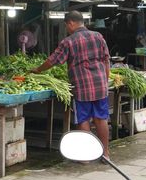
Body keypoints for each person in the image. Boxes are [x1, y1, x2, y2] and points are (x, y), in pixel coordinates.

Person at [32, 11, 111, 159]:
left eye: (66, 26)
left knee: (83, 120)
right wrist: (105, 81)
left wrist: (38, 70)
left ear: (71, 23)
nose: (67, 29)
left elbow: (52, 61)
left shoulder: (69, 41)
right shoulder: (98, 36)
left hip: (82, 87)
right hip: (100, 85)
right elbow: (106, 60)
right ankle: (106, 154)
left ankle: (87, 157)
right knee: (101, 119)